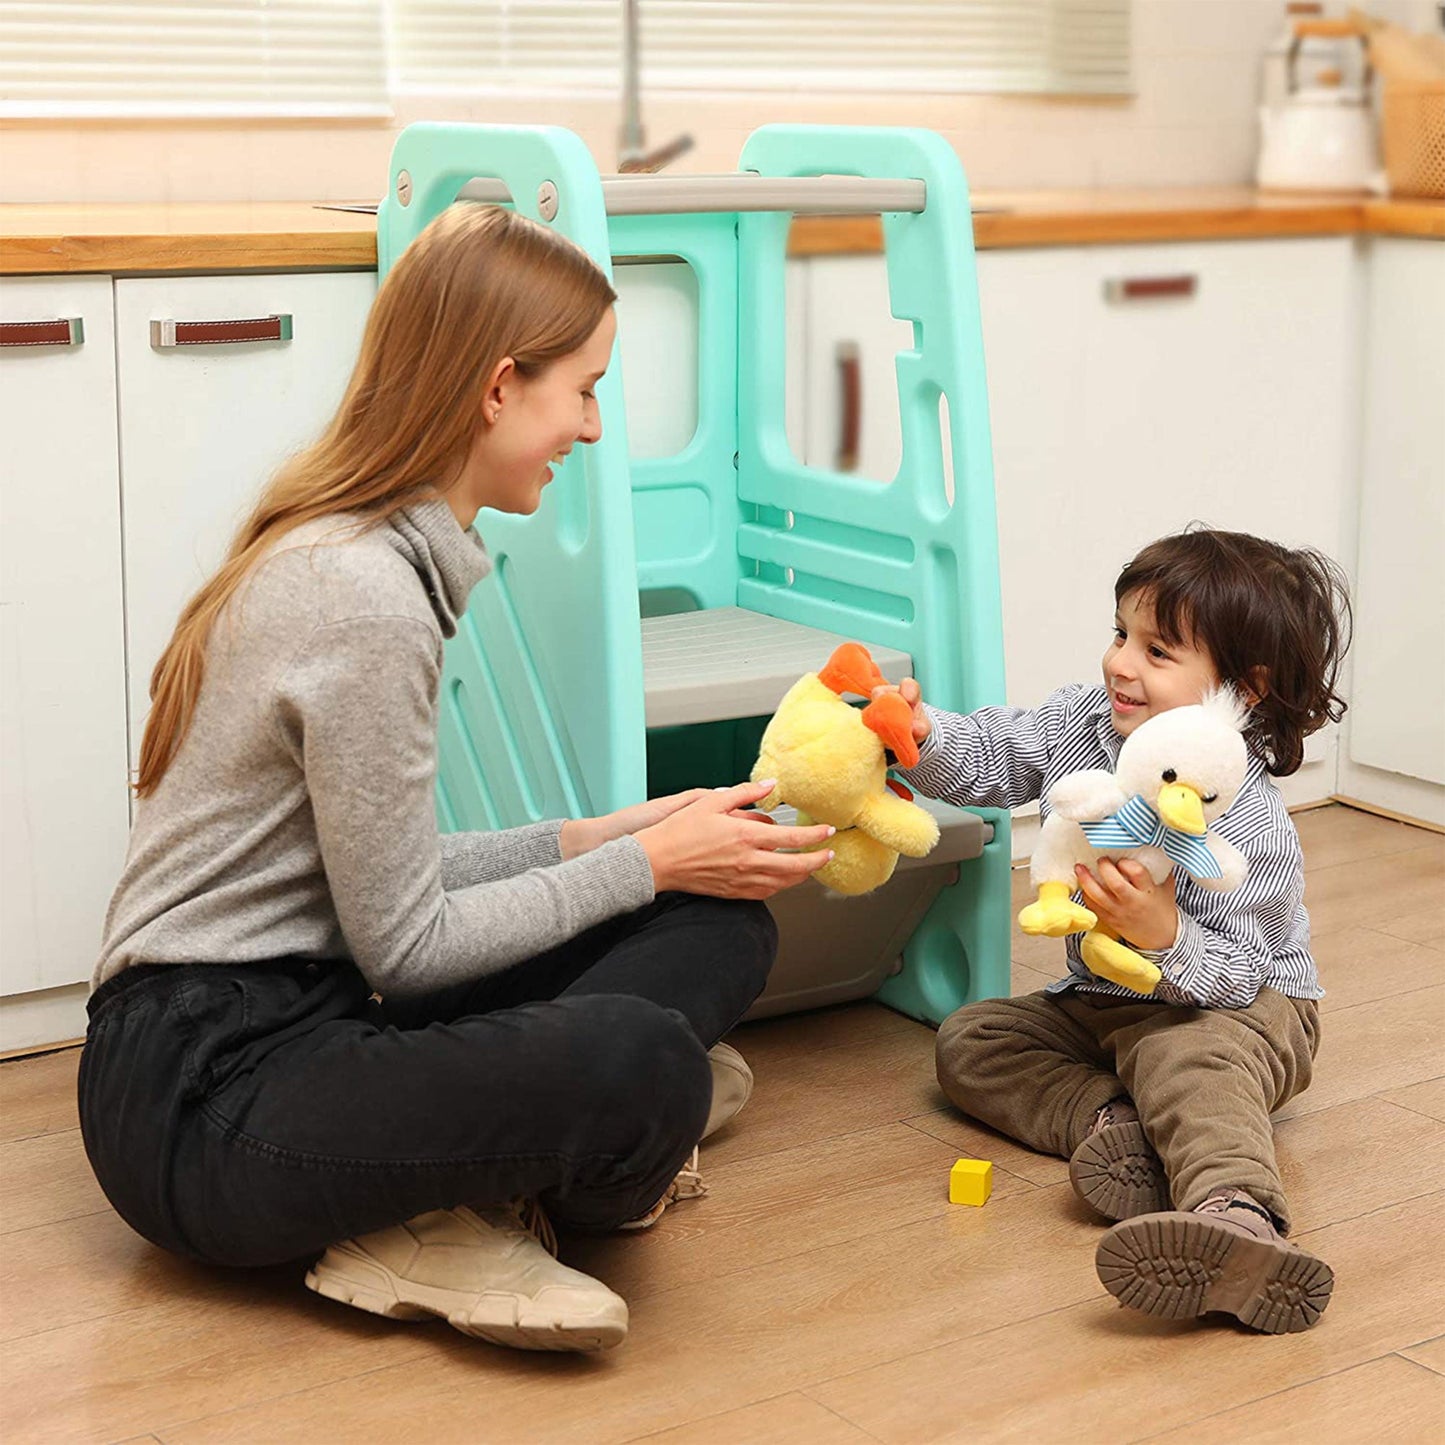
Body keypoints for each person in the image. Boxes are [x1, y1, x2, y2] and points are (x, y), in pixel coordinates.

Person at [77, 203, 837, 1355]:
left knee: (718, 920)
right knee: (643, 1060)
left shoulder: (370, 553)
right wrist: (642, 859)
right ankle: (469, 1195)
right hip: (201, 1089)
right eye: (580, 389)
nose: (589, 425)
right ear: (496, 388)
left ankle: (487, 1170)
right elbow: (411, 948)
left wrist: (607, 837)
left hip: (317, 999)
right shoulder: (364, 593)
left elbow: (381, 883)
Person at [886, 528, 1350, 1334]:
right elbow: (996, 754)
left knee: (1183, 1053)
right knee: (971, 1039)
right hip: (1104, 995)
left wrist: (1164, 930)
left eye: (1156, 649)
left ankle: (1236, 1217)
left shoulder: (1249, 820)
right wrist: (924, 737)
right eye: (1119, 633)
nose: (1118, 663)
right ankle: (1115, 1125)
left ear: (1239, 689)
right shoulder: (1085, 721)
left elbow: (1239, 974)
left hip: (1241, 1008)